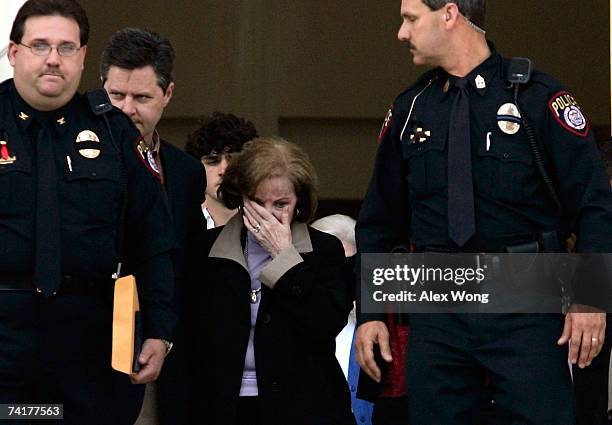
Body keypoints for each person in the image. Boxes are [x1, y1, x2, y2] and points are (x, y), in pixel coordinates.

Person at [354, 1, 612, 424]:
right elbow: (379, 223)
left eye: (411, 18)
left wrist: (591, 298)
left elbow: (596, 205)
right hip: (436, 297)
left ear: (450, 14)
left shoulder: (537, 98)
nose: (402, 33)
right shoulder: (411, 108)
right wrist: (370, 316)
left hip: (528, 295)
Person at [0, 1, 177, 424]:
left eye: (66, 47)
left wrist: (160, 328)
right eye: (39, 45)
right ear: (13, 52)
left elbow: (152, 237)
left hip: (88, 346)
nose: (52, 59)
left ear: (82, 57)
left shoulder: (114, 132)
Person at [194, 137, 356, 425]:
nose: (268, 216)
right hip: (224, 406)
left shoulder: (324, 251)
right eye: (257, 203)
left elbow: (325, 324)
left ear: (299, 203)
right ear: (240, 197)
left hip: (302, 408)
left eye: (281, 204)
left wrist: (285, 258)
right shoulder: (204, 250)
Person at [100, 28, 206, 424]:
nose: (127, 109)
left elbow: (187, 264)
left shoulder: (185, 172)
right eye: (116, 96)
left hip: (160, 346)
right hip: (84, 345)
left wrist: (166, 334)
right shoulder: (67, 158)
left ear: (168, 95)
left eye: (142, 98)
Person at [312, 214, 375, 425]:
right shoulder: (289, 331)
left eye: (346, 268)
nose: (337, 280)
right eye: (326, 268)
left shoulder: (374, 331)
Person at [185, 112, 258, 228]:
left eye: (232, 159)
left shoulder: (270, 220)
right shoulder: (179, 224)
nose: (224, 170)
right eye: (213, 160)